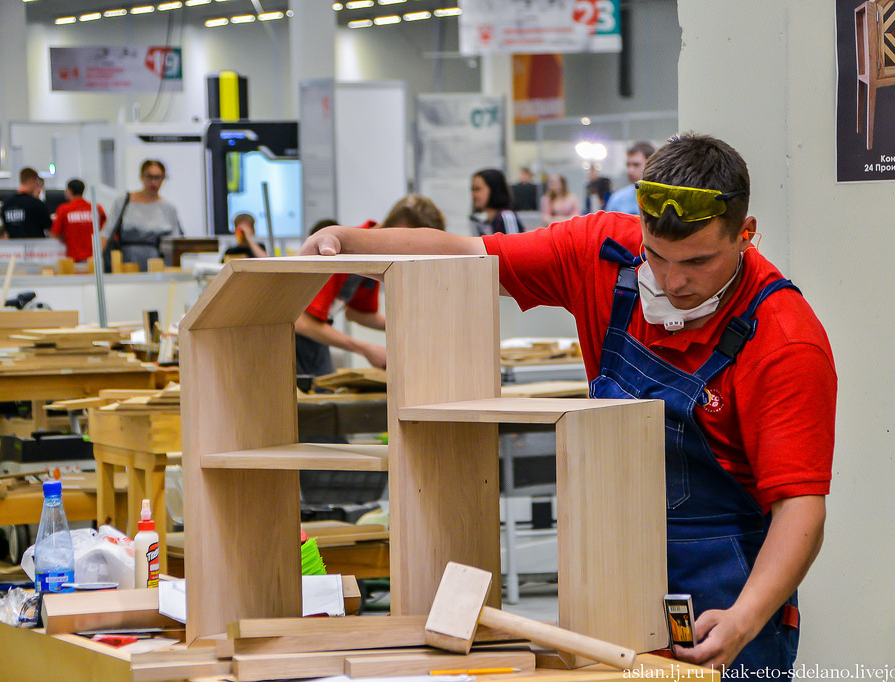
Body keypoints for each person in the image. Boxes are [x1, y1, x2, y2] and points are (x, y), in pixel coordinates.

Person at [300, 134, 836, 675]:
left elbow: (800, 509)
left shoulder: (784, 340)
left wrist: (744, 617)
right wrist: (346, 240)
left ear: (746, 236)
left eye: (697, 262)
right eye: (657, 257)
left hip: (728, 601)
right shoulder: (601, 252)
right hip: (614, 579)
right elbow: (465, 255)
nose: (673, 282)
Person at [294, 194, 447, 377]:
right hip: (290, 339)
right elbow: (301, 322)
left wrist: (417, 324)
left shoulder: (374, 256)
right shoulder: (339, 251)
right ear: (402, 231)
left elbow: (358, 314)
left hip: (314, 339)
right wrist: (365, 348)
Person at [103, 159, 182, 271]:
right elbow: (107, 233)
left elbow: (175, 242)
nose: (154, 182)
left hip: (157, 263)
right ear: (142, 177)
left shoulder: (169, 208)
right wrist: (94, 259)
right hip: (126, 263)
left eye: (158, 177)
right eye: (150, 177)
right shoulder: (124, 202)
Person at [50, 178, 108, 262]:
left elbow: (55, 234)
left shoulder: (64, 210)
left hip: (73, 259)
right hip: (93, 259)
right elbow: (105, 231)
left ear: (69, 191)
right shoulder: (96, 208)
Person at [606, 140, 657, 214]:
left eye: (636, 165)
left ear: (651, 164)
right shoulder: (617, 199)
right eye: (628, 165)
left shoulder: (662, 198)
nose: (630, 171)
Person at [470, 168, 525, 236]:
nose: (473, 194)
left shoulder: (507, 217)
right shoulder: (484, 222)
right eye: (472, 190)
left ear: (494, 190)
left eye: (478, 189)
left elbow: (515, 244)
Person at [0, 167, 51, 239]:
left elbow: (7, 230)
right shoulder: (36, 204)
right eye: (36, 183)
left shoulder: (6, 204)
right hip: (36, 247)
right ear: (31, 181)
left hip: (16, 248)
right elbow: (50, 230)